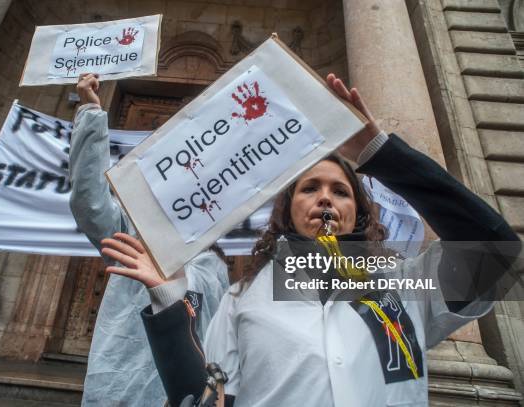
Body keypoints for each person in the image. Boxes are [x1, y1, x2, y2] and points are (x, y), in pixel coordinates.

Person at [99, 74, 521, 406]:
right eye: (309, 188)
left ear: (358, 210)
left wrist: (380, 153)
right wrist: (172, 305)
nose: (325, 197)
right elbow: (206, 400)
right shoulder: (242, 299)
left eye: (340, 191)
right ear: (287, 210)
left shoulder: (406, 286)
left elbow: (492, 248)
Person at [69, 74, 230, 406]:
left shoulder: (215, 262)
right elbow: (89, 199)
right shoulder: (132, 233)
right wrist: (90, 111)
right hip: (123, 390)